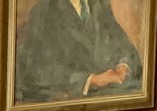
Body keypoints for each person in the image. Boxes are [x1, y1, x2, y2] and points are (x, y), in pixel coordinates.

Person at [13, 0, 143, 104]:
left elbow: (126, 49)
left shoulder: (99, 4)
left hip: (107, 95)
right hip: (66, 102)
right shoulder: (44, 12)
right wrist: (91, 80)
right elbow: (33, 71)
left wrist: (124, 66)